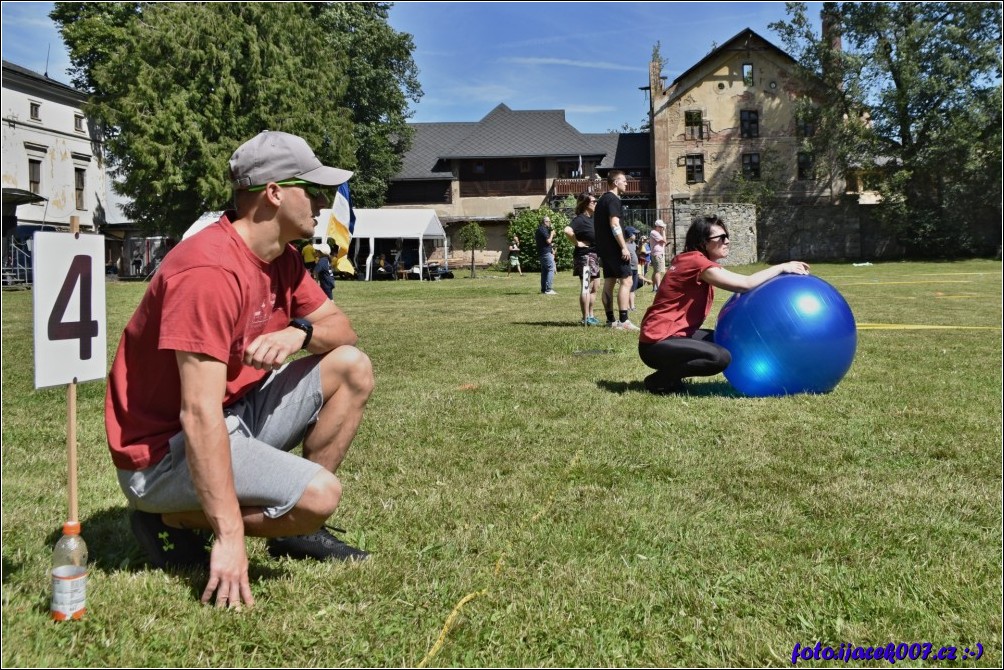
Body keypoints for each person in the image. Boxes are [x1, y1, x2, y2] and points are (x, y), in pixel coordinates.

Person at [105, 131, 375, 609]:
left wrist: (300, 334)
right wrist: (229, 537)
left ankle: (293, 529)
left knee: (352, 366)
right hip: (165, 454)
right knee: (320, 496)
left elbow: (342, 331)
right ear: (274, 192)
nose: (320, 201)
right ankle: (170, 519)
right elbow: (197, 414)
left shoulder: (283, 258)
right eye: (311, 189)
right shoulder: (207, 271)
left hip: (235, 416)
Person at [638, 215, 810, 394]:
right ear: (704, 242)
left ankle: (672, 377)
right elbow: (745, 284)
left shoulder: (691, 259)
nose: (727, 241)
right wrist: (782, 267)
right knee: (720, 357)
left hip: (672, 336)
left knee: (729, 340)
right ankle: (659, 380)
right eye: (721, 238)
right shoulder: (696, 263)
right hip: (657, 343)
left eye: (727, 236)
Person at [593, 170, 637, 330]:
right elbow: (614, 224)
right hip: (615, 249)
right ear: (615, 182)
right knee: (627, 281)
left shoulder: (602, 200)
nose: (626, 183)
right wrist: (624, 247)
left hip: (605, 250)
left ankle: (610, 321)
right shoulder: (613, 200)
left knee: (610, 281)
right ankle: (624, 321)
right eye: (624, 181)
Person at [564, 192, 601, 325]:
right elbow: (567, 231)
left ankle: (591, 315)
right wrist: (577, 243)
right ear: (585, 204)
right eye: (593, 201)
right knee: (586, 287)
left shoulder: (593, 218)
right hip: (584, 257)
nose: (596, 203)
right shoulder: (580, 219)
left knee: (595, 287)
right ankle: (585, 317)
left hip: (594, 256)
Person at [535, 215, 557, 295]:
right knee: (551, 269)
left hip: (541, 253)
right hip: (545, 253)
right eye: (548, 221)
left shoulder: (539, 230)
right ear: (545, 222)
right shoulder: (543, 229)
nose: (550, 223)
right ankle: (548, 289)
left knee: (544, 271)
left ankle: (544, 289)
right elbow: (548, 241)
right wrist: (551, 234)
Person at [649, 219, 667, 292]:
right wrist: (663, 232)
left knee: (655, 271)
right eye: (661, 227)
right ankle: (659, 288)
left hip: (657, 253)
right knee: (658, 271)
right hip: (658, 254)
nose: (662, 228)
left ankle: (655, 287)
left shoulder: (656, 233)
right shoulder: (654, 232)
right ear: (657, 226)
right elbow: (664, 241)